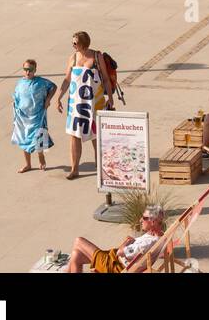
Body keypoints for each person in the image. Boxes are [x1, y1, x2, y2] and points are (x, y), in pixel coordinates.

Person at [55, 32, 114, 180]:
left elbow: (106, 79)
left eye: (75, 43)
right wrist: (59, 97)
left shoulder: (96, 56)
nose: (73, 45)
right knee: (74, 135)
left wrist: (111, 98)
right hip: (75, 103)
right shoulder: (73, 58)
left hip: (94, 102)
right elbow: (67, 80)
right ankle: (75, 168)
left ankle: (100, 165)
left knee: (96, 134)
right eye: (73, 43)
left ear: (83, 44)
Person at [64, 204, 166, 273]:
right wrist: (131, 243)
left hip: (114, 266)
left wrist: (126, 243)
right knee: (76, 255)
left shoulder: (148, 242)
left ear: (153, 222)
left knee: (79, 240)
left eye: (144, 218)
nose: (140, 220)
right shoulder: (159, 236)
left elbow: (120, 252)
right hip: (119, 262)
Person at [11, 59, 57, 172]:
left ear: (35, 70)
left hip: (37, 115)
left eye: (30, 70)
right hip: (23, 117)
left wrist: (48, 100)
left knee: (39, 136)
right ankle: (28, 164)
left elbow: (53, 87)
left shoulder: (41, 82)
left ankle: (41, 156)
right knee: (24, 139)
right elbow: (16, 97)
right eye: (25, 69)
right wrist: (16, 110)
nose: (27, 72)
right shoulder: (20, 83)